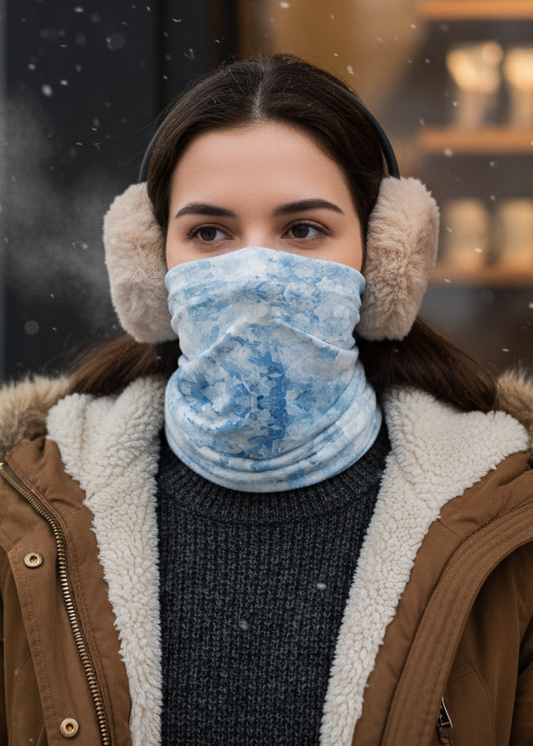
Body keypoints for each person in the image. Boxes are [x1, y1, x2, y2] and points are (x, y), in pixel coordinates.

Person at [0, 53, 532, 746]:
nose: (252, 268)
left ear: (383, 261)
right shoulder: (23, 512)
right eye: (209, 232)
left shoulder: (508, 520)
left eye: (302, 230)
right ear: (147, 268)